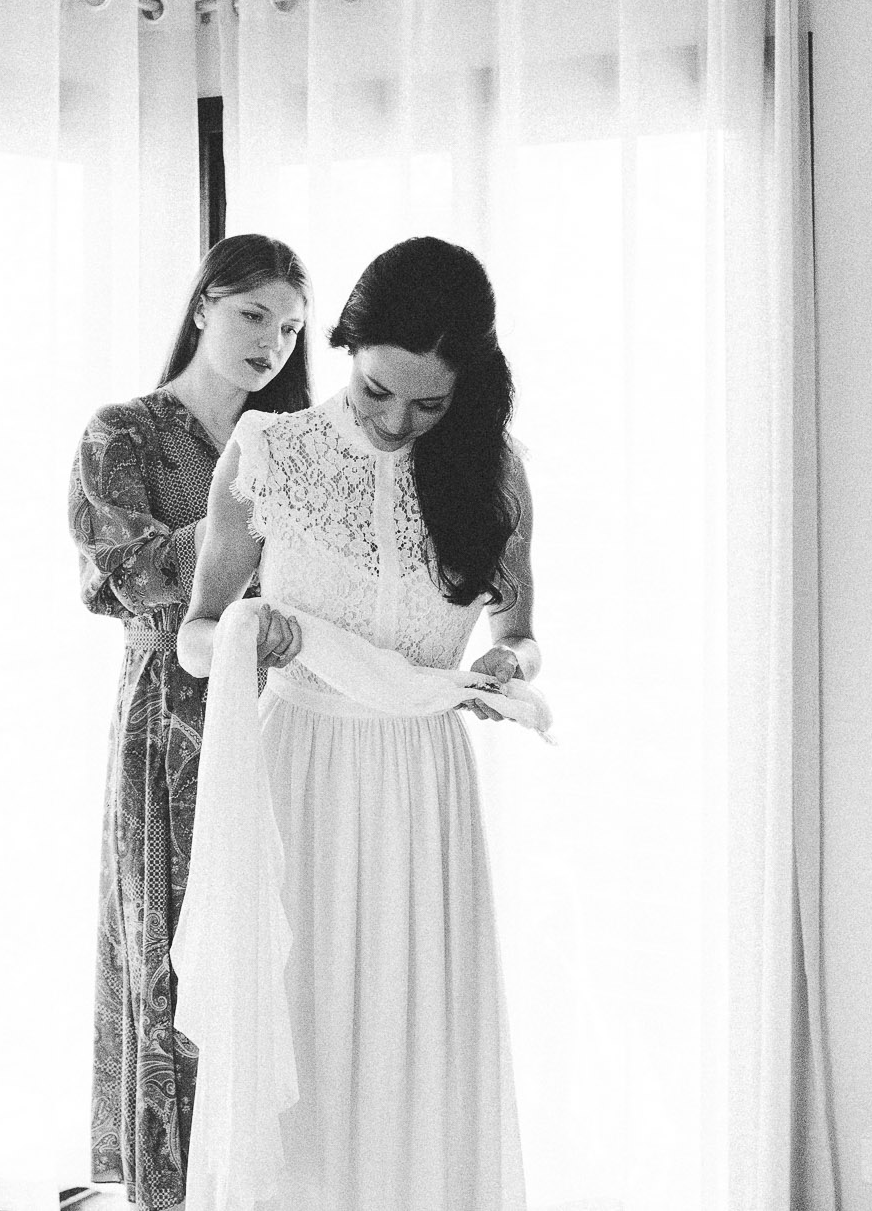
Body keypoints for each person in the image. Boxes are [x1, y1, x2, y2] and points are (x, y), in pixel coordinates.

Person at [173, 236, 541, 1211]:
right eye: (378, 391)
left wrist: (508, 663)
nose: (395, 421)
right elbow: (196, 639)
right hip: (299, 773)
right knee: (307, 1026)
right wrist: (255, 630)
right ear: (345, 346)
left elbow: (523, 630)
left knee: (416, 1036)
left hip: (423, 781)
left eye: (428, 404)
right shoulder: (271, 451)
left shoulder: (490, 471)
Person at [68, 234, 314, 1210]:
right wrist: (238, 532)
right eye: (254, 314)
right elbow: (118, 577)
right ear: (204, 305)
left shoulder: (287, 446)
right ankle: (173, 1193)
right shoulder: (121, 434)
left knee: (272, 951)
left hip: (278, 714)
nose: (272, 343)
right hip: (170, 721)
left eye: (291, 328)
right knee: (173, 954)